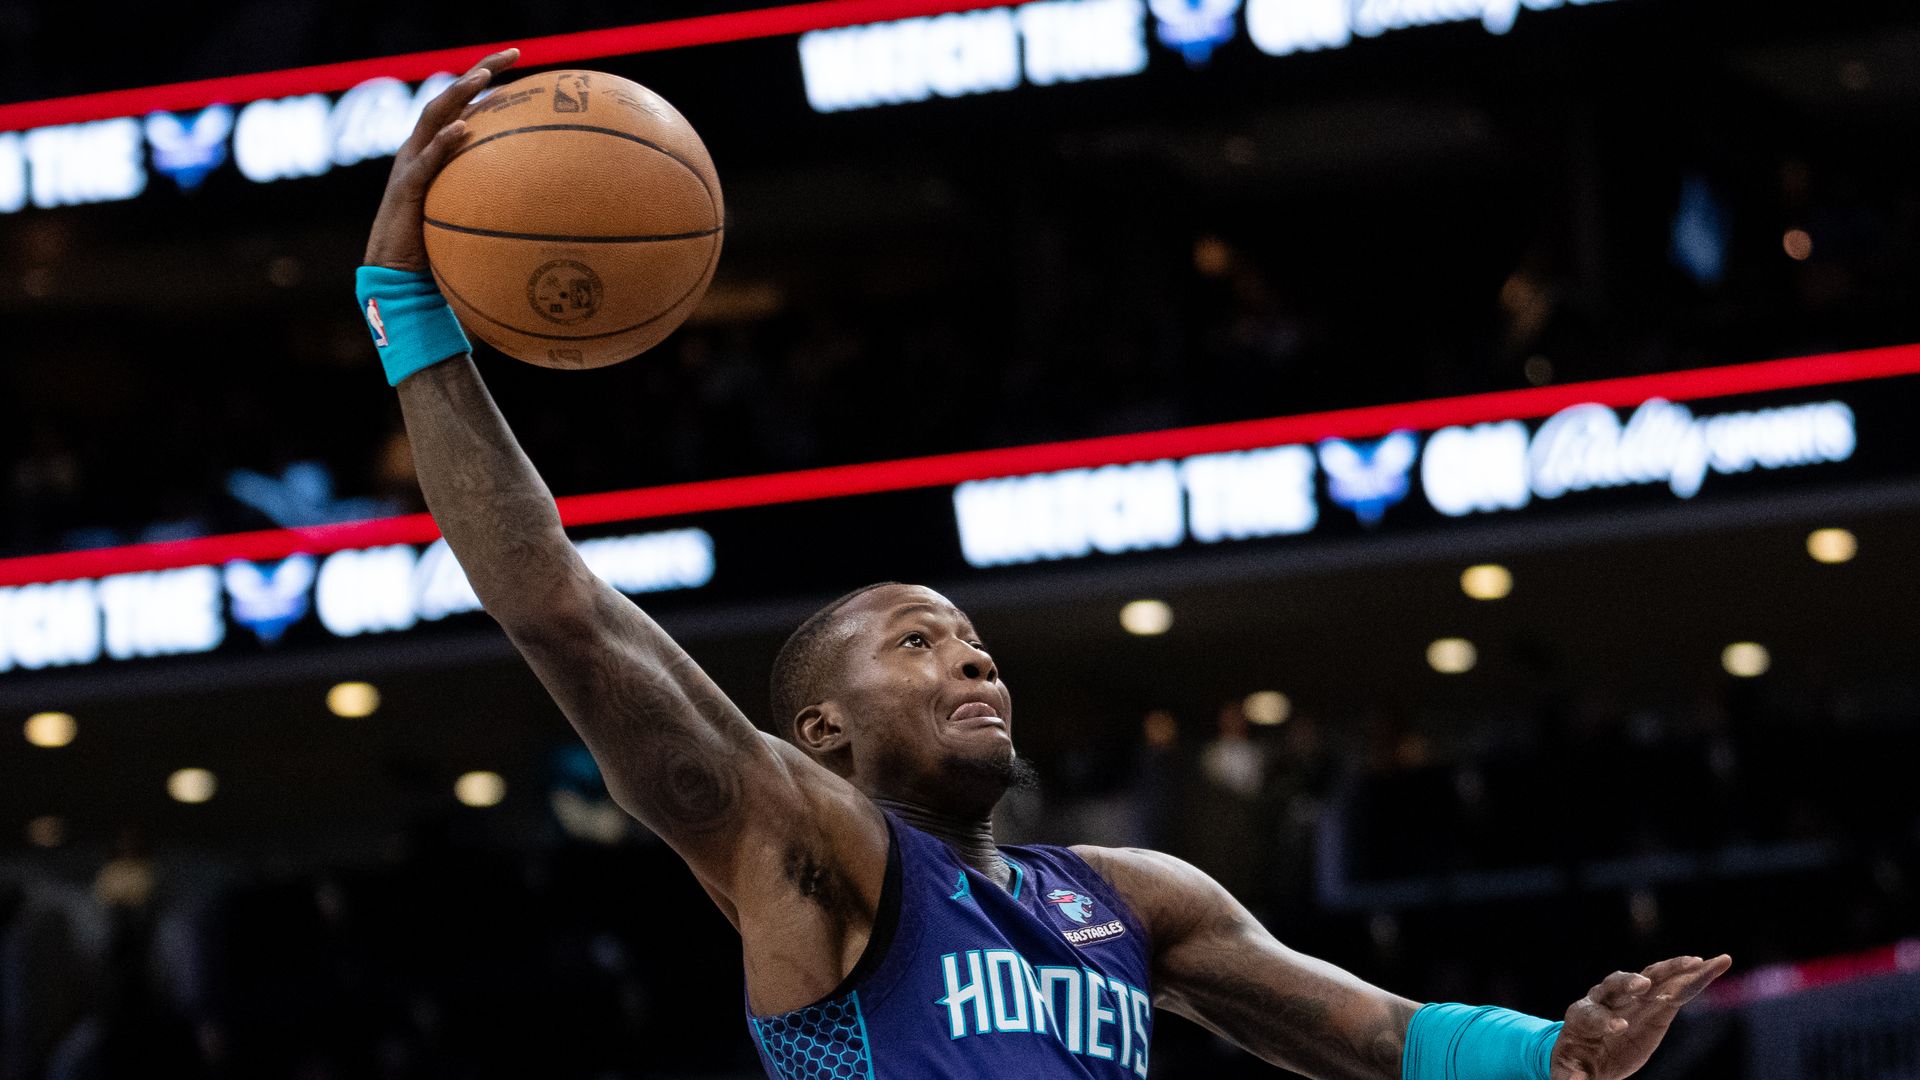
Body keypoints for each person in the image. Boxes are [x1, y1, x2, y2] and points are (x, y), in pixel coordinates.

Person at [357, 49, 1732, 1080]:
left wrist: (1549, 1053)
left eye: (968, 637)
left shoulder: (1130, 899)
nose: (969, 654)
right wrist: (410, 309)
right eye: (911, 641)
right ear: (816, 725)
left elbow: (1370, 1036)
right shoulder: (804, 843)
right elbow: (562, 612)